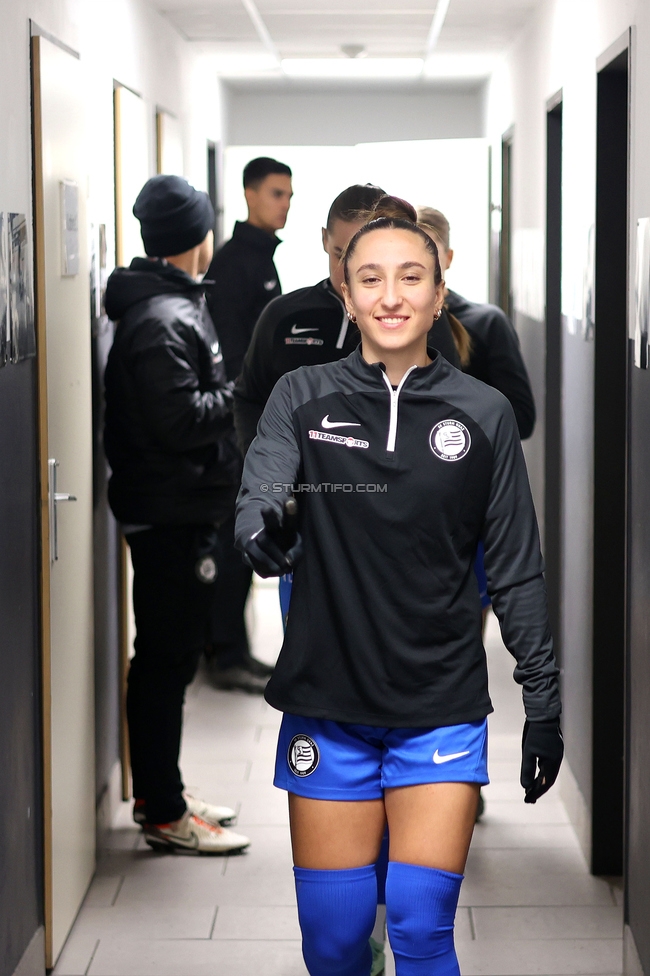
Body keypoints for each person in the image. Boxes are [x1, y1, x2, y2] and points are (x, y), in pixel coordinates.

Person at [235, 196, 563, 975]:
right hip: (327, 703)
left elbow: (516, 568)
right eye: (371, 279)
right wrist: (262, 528)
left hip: (438, 711)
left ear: (438, 290)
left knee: (420, 934)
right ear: (345, 295)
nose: (391, 296)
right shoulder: (302, 396)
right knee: (338, 943)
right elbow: (262, 493)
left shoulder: (482, 415)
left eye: (411, 277)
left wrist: (544, 703)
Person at [104, 174, 250, 855]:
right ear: (199, 237)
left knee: (171, 655)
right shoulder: (162, 318)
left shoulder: (174, 305)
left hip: (179, 505)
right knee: (165, 660)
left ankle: (164, 788)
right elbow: (178, 421)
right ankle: (162, 810)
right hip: (170, 512)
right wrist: (243, 392)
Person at [203, 156, 293, 693]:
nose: (285, 203)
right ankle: (225, 652)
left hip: (258, 421)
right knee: (235, 539)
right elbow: (236, 355)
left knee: (244, 536)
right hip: (242, 425)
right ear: (249, 195)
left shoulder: (262, 257)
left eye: (288, 194)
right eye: (277, 193)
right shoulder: (235, 262)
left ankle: (232, 648)